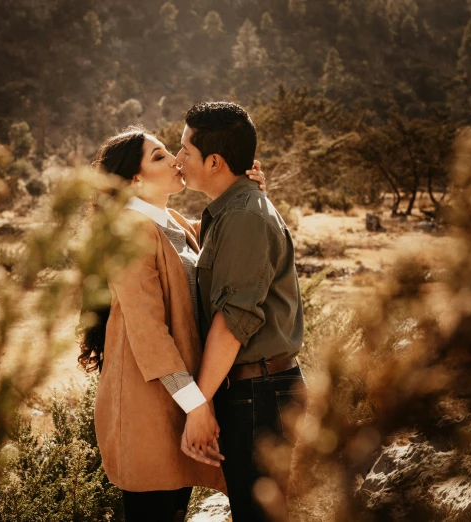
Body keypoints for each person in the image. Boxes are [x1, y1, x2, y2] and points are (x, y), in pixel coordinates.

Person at [79, 126, 266, 522]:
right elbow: (148, 332)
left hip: (180, 398)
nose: (177, 160)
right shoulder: (128, 232)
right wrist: (197, 406)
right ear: (134, 179)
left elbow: (228, 242)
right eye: (161, 156)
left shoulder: (174, 221)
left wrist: (247, 192)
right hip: (148, 404)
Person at [175, 102, 306, 521]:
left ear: (214, 161)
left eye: (185, 151)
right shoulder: (230, 209)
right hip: (252, 390)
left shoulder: (244, 215)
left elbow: (234, 323)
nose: (178, 160)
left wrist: (199, 403)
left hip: (259, 393)